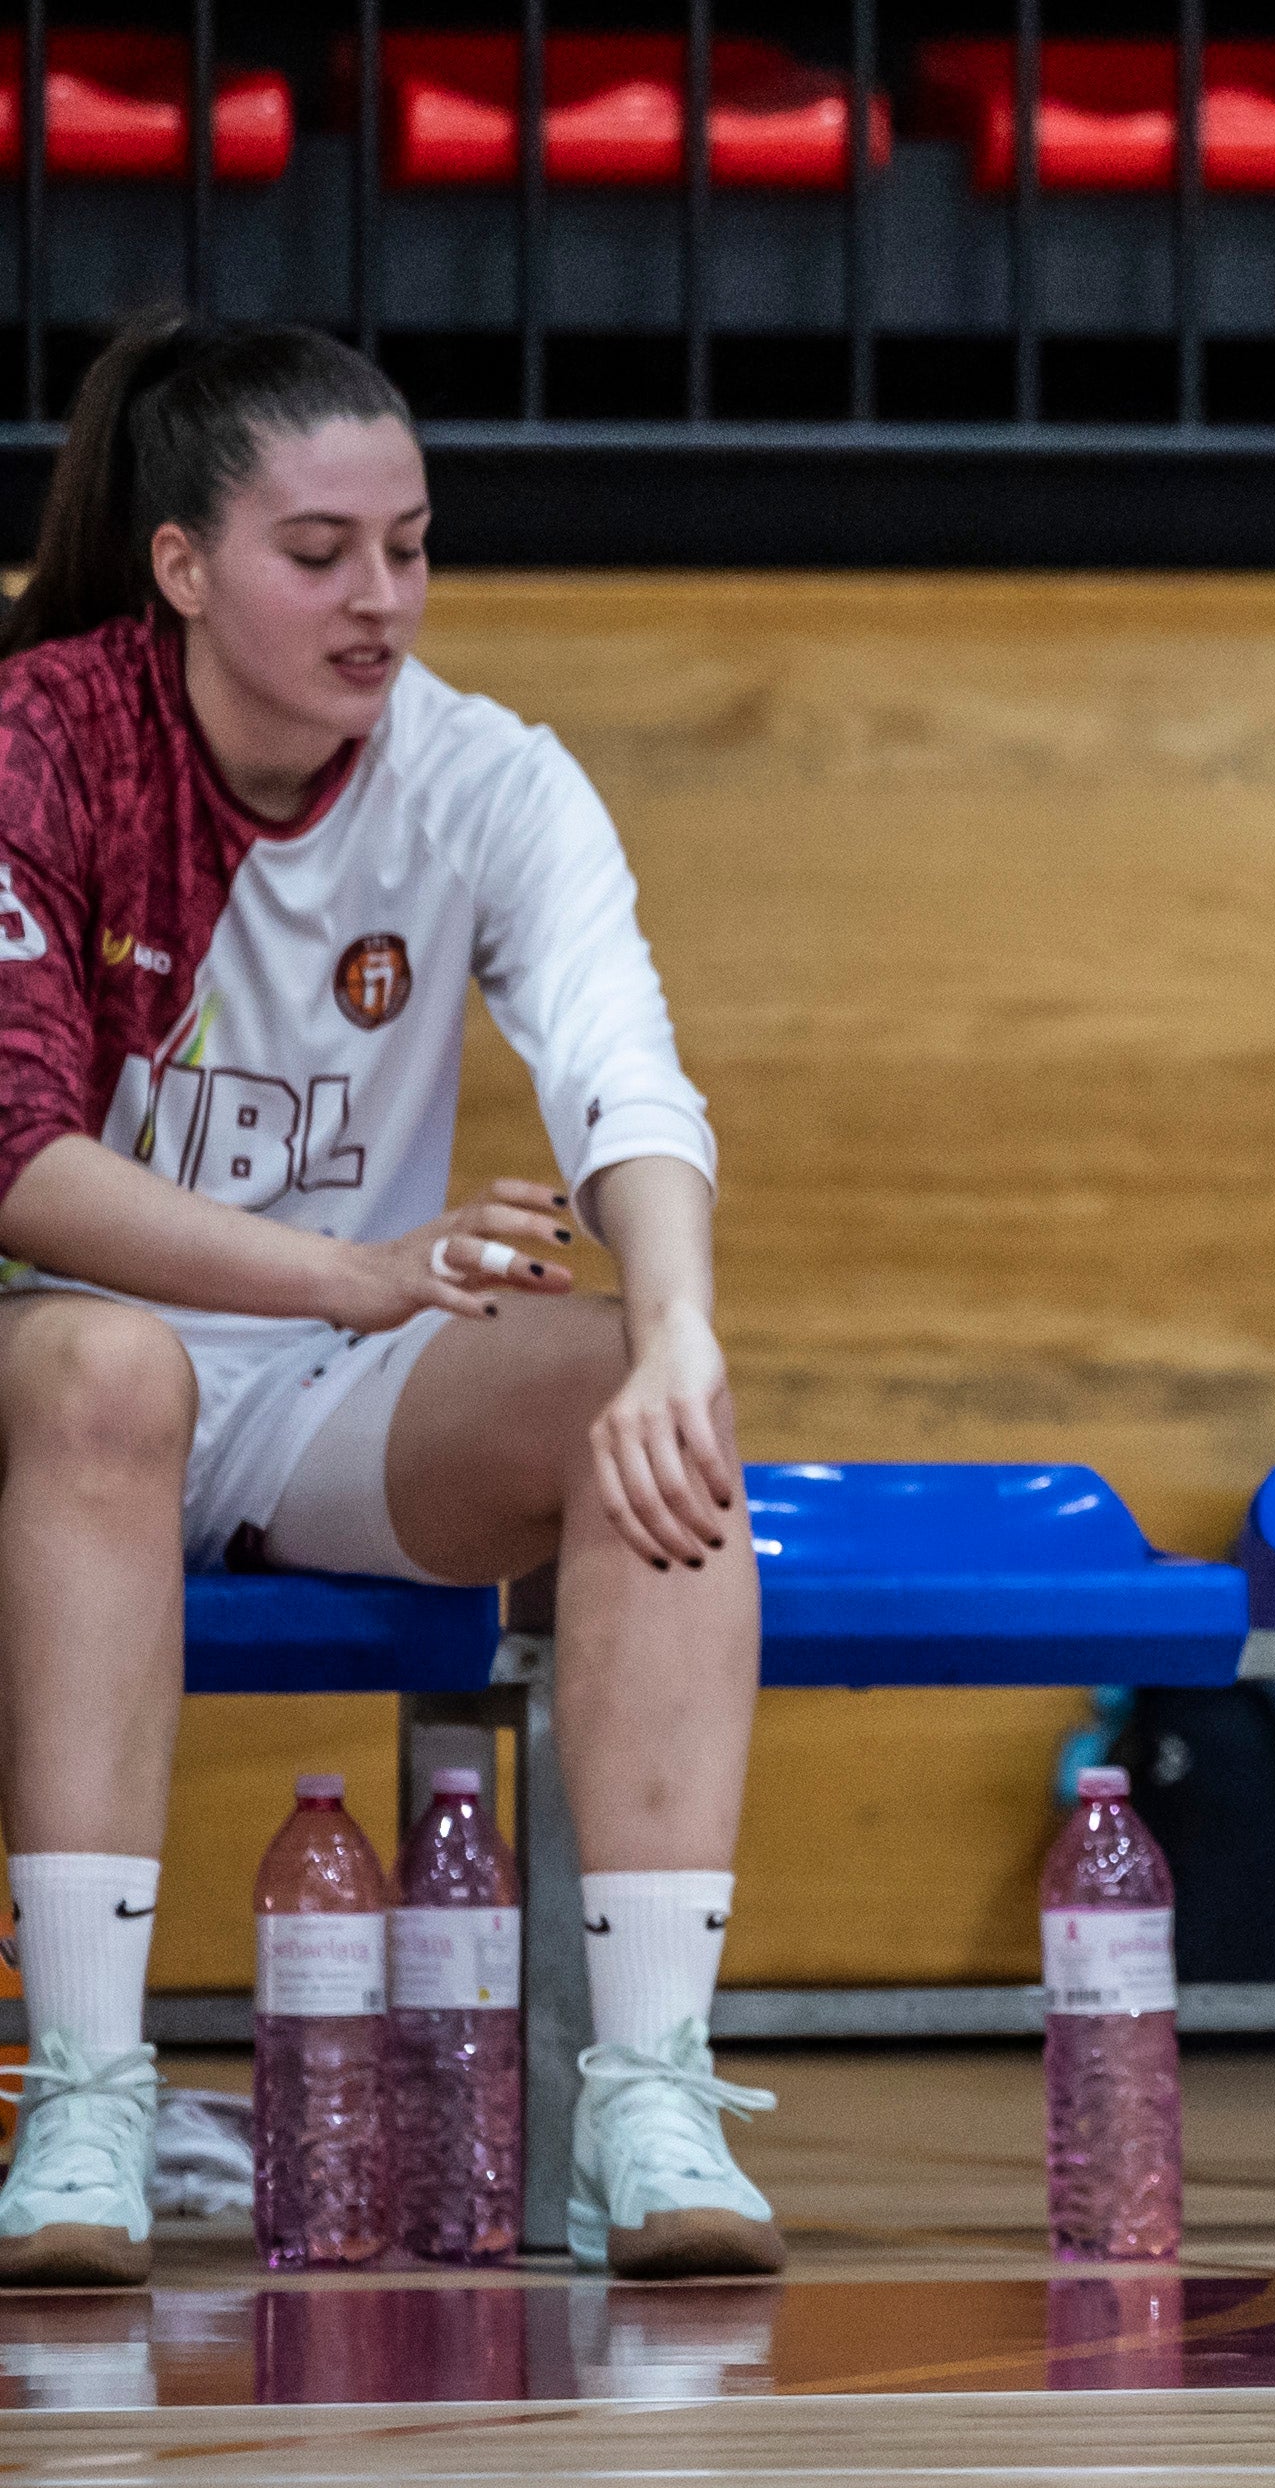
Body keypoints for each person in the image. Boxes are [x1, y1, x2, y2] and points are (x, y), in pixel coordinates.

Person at [0, 318, 785, 2286]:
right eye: (322, 550)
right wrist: (358, 1266)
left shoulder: (489, 775)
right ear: (182, 562)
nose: (382, 598)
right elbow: (19, 1162)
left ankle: (651, 2086)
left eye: (411, 546)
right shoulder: (45, 731)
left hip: (321, 1392)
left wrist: (678, 1317)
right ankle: (85, 2094)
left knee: (646, 1400)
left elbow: (628, 1071)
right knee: (103, 1362)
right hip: (60, 1369)